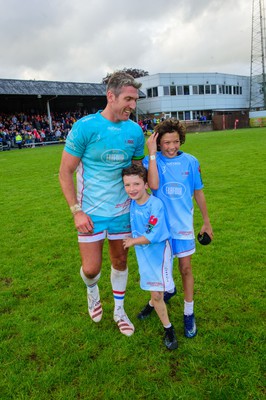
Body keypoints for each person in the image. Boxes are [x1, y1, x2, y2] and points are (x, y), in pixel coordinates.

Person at [59, 71, 145, 337]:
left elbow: (138, 171)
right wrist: (76, 211)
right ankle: (92, 290)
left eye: (135, 100)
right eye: (128, 99)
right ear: (111, 96)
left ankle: (119, 310)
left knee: (120, 261)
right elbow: (65, 172)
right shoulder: (85, 127)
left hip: (122, 213)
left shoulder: (134, 131)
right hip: (91, 214)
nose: (133, 105)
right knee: (91, 269)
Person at [139, 118, 213, 338]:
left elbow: (198, 191)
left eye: (175, 142)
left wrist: (207, 221)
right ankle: (161, 296)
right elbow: (152, 186)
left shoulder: (191, 162)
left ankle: (188, 313)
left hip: (183, 228)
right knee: (159, 272)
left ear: (181, 140)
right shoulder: (150, 161)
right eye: (166, 143)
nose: (171, 147)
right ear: (157, 142)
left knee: (186, 269)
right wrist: (152, 154)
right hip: (160, 229)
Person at [122, 164, 178, 350]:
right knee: (156, 290)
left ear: (146, 184)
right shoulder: (131, 203)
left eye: (136, 184)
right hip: (144, 254)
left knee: (156, 293)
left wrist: (131, 241)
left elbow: (153, 235)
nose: (132, 189)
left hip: (159, 253)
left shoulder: (155, 205)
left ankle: (169, 330)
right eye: (127, 185)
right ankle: (156, 300)